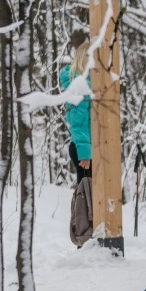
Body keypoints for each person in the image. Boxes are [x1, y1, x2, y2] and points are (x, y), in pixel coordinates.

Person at [59, 31, 92, 183]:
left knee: (89, 196)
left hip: (85, 145)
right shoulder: (81, 86)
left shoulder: (87, 84)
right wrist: (85, 152)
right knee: (87, 197)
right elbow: (78, 121)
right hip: (83, 148)